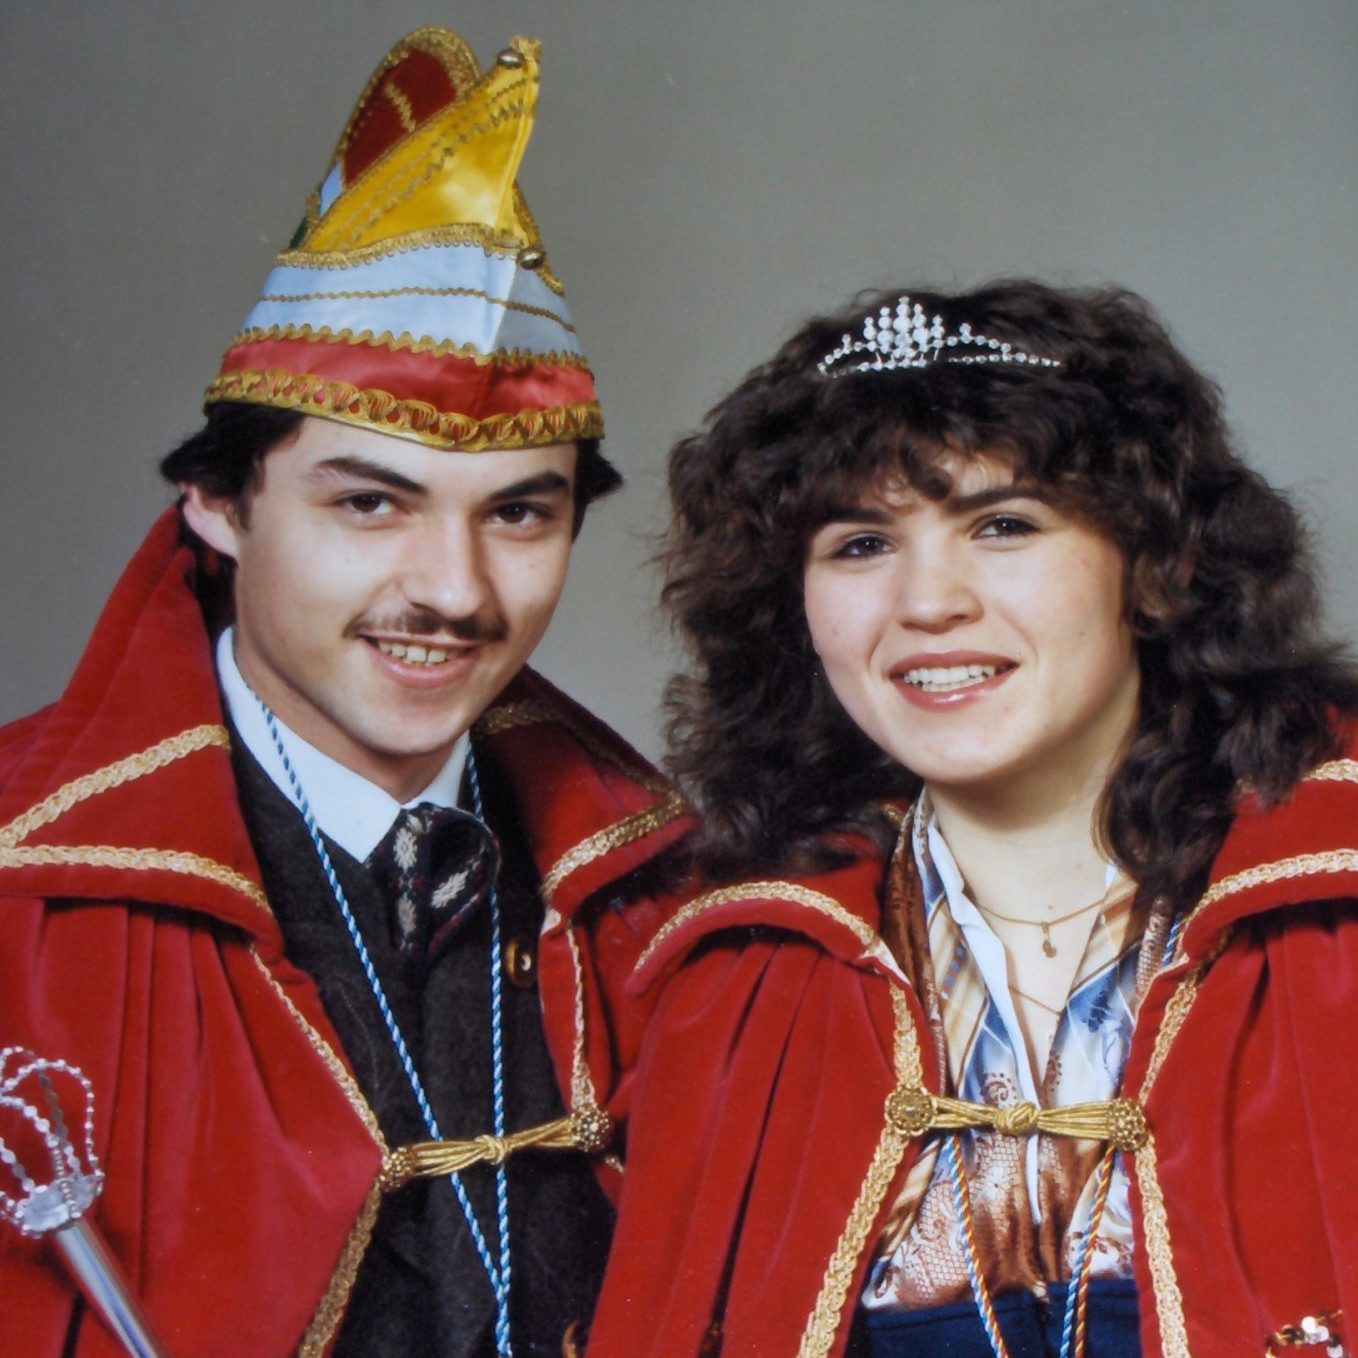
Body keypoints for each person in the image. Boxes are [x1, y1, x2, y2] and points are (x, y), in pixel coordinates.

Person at [0, 28, 686, 1358]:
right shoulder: (20, 884)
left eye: (518, 513)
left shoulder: (668, 898)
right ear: (218, 504)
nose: (452, 589)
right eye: (370, 503)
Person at [585, 282, 1358, 1358]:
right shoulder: (729, 980)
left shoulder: (1333, 901)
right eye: (860, 544)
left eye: (1002, 525)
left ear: (1152, 565)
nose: (926, 602)